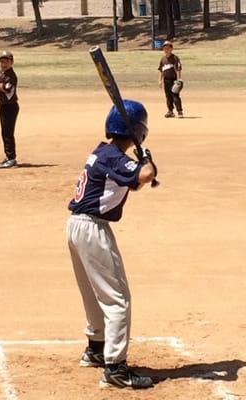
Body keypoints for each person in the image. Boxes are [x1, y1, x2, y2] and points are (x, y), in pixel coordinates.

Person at [66, 99, 157, 389]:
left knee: (93, 293)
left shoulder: (104, 152)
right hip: (93, 229)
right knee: (118, 299)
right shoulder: (115, 156)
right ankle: (115, 367)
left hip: (77, 226)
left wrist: (142, 167)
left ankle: (96, 348)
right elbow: (144, 175)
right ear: (138, 132)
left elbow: (133, 181)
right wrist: (147, 163)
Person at [0, 50, 19, 168]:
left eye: (6, 61)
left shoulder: (11, 76)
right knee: (4, 132)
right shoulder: (1, 73)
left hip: (10, 107)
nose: (4, 63)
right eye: (2, 61)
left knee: (8, 133)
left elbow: (7, 89)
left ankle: (12, 158)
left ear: (11, 62)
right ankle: (8, 157)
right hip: (3, 106)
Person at [158, 41, 183, 118]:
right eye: (165, 48)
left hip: (174, 80)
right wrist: (160, 80)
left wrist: (178, 80)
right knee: (168, 96)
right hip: (166, 80)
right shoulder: (163, 59)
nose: (166, 50)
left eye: (168, 48)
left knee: (175, 95)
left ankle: (179, 111)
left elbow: (178, 69)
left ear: (171, 49)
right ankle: (170, 111)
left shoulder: (175, 58)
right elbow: (161, 70)